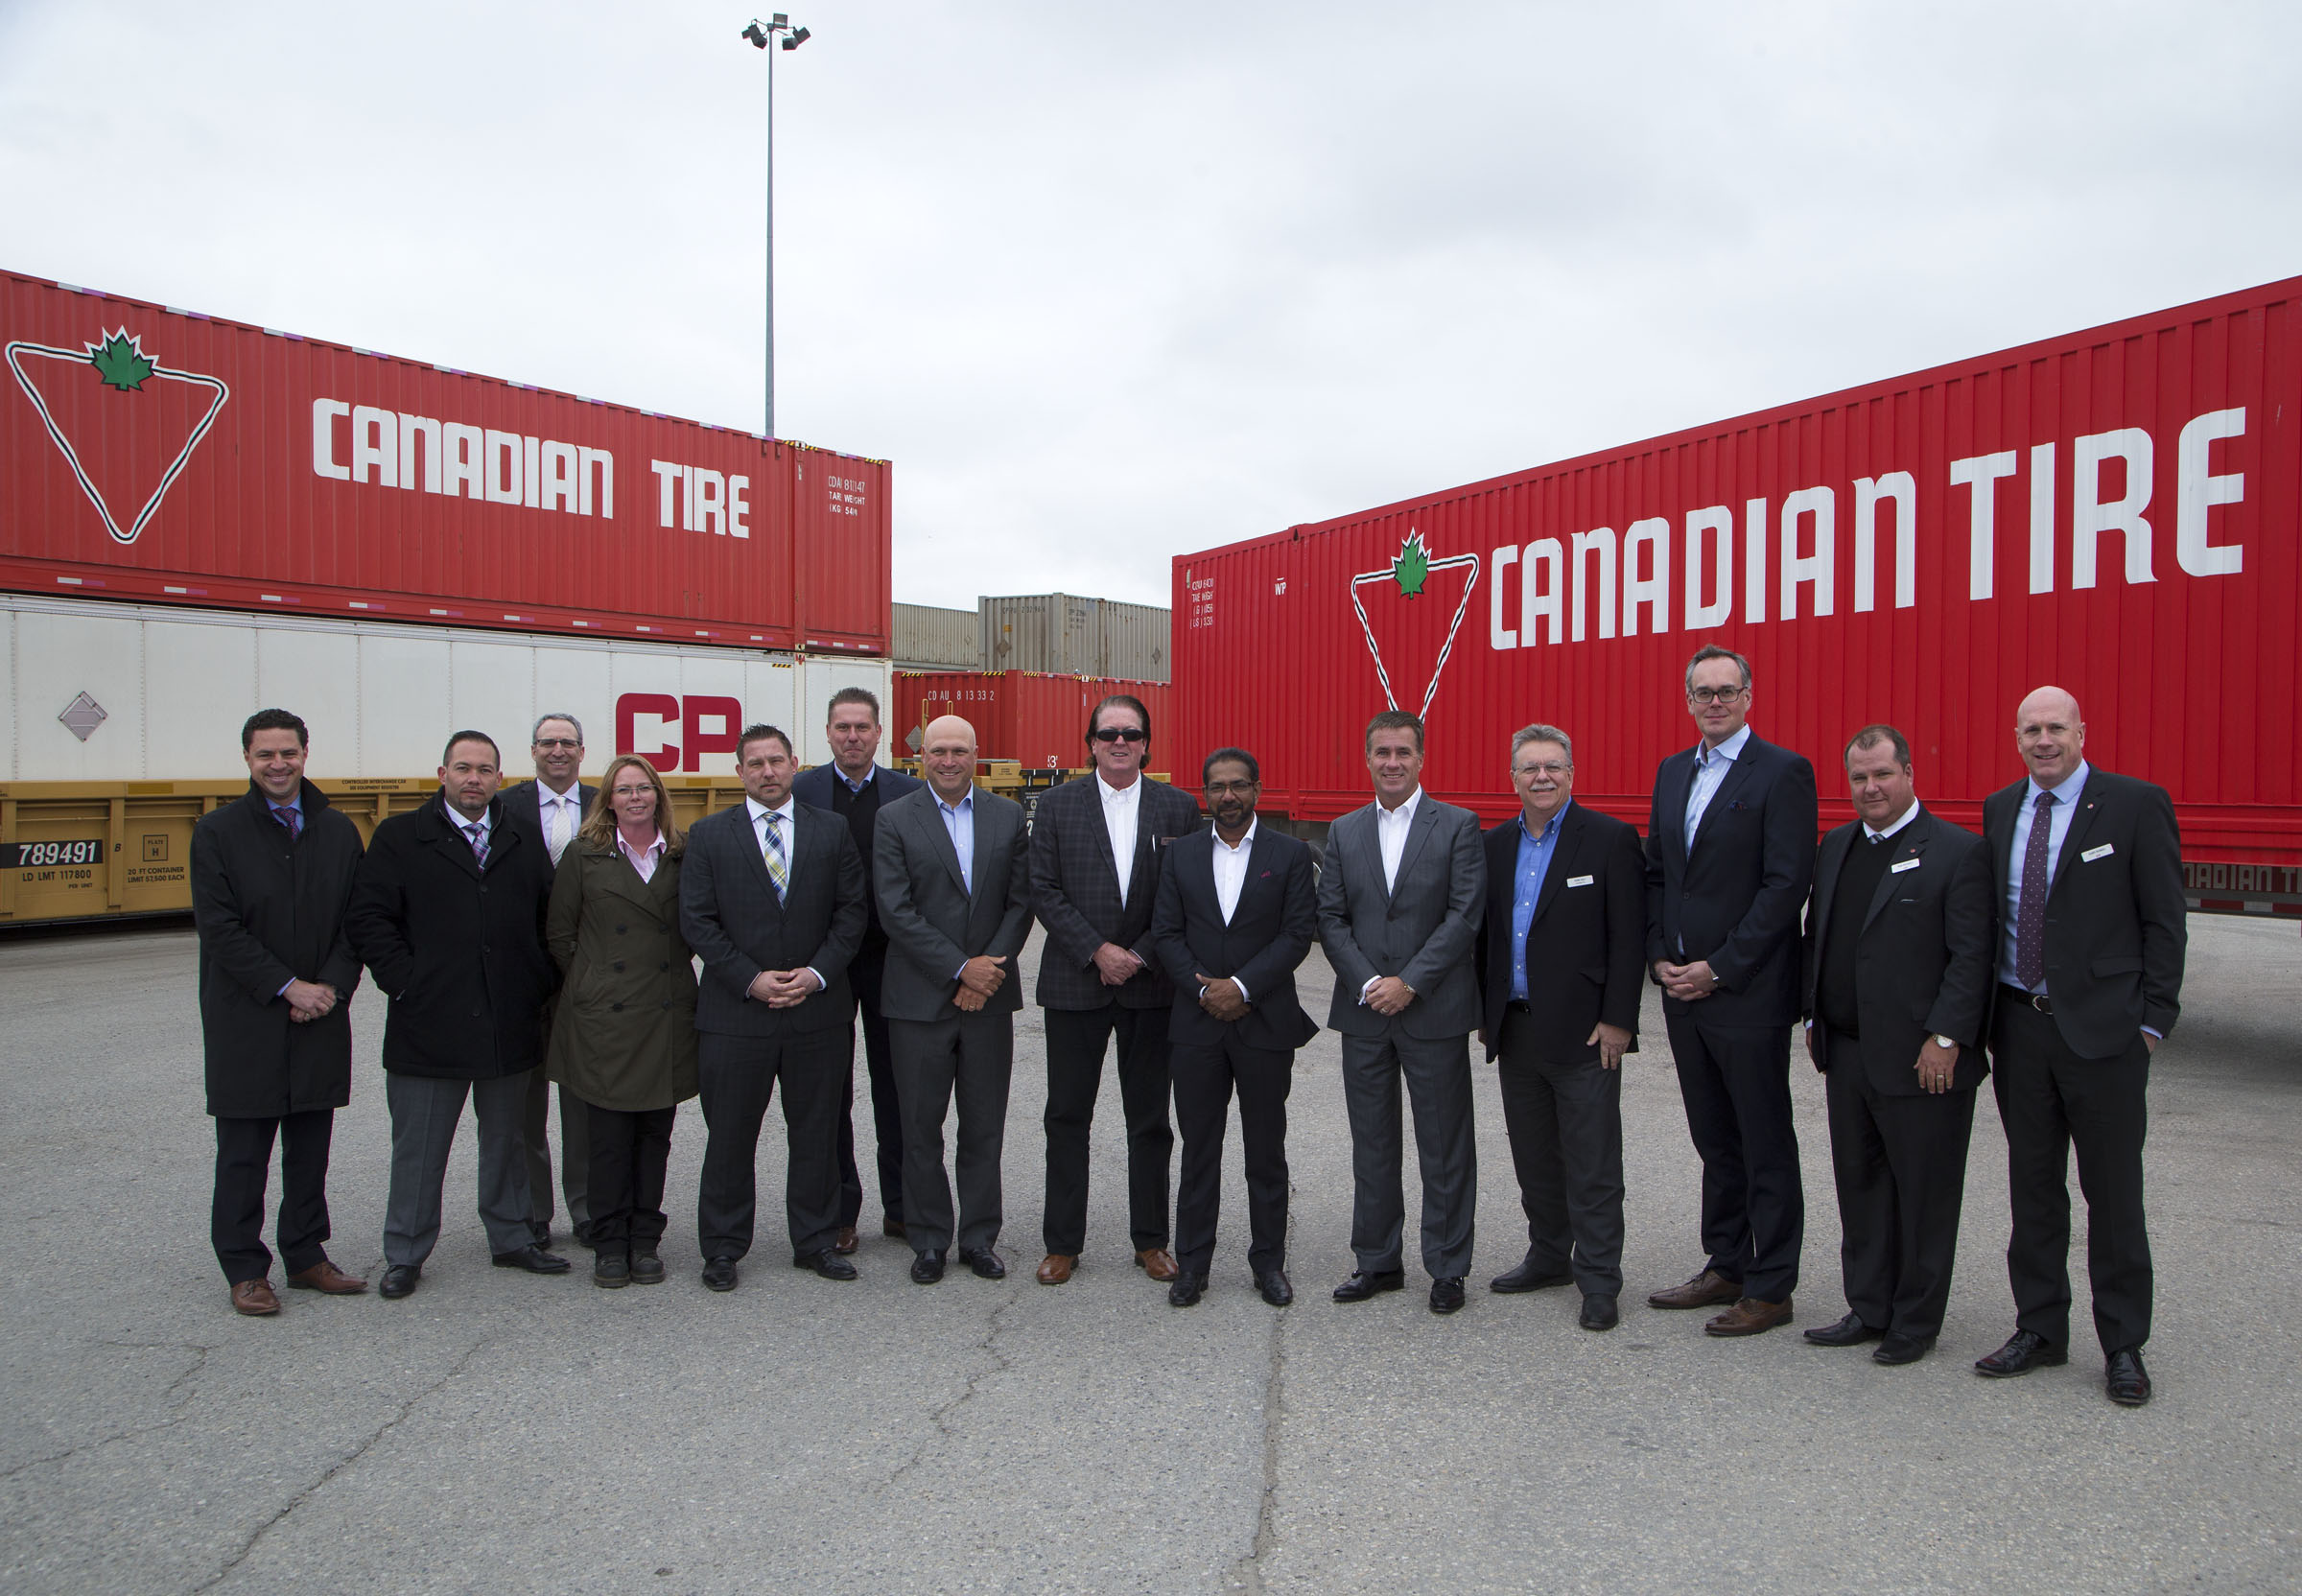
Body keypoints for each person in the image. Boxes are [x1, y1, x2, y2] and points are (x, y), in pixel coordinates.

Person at [1975, 686, 2185, 1406]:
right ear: (2016, 736)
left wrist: (2153, 1021)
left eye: (2055, 728)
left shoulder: (2133, 804)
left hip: (2104, 1034)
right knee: (2034, 1190)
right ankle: (2040, 1328)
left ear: (2081, 733)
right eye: (2030, 729)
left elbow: (2164, 921)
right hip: (2020, 1027)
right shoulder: (2002, 809)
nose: (2043, 740)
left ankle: (2123, 1344)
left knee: (2113, 1195)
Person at [346, 731, 568, 1300]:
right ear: (441, 773)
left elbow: (551, 918)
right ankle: (406, 1251)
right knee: (419, 1147)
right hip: (430, 1021)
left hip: (508, 1018)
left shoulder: (519, 836)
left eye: (486, 770)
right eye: (463, 768)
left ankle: (514, 1236)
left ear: (500, 777)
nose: (475, 779)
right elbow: (370, 919)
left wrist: (535, 982)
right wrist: (406, 982)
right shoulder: (400, 838)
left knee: (509, 1139)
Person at [1799, 725, 1995, 1365]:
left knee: (1925, 1194)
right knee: (1861, 1188)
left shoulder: (1957, 852)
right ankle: (1869, 1305)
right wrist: (1813, 1017)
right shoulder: (1836, 848)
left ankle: (1915, 1320)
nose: (1870, 788)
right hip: (1849, 1054)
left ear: (1909, 772)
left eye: (1882, 774)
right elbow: (1821, 939)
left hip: (1923, 1061)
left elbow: (1971, 958)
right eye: (1858, 778)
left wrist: (1947, 1037)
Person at [1644, 645, 1818, 1337]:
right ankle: (1727, 1262)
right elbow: (1658, 872)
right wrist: (1660, 956)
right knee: (1714, 1135)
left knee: (1762, 1137)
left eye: (1727, 690)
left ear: (1749, 696)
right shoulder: (1672, 772)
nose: (1714, 702)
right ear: (1687, 701)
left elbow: (1785, 887)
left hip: (1745, 992)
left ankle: (1772, 1285)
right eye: (1702, 692)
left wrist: (1720, 966)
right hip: (1681, 991)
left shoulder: (1782, 773)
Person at [190, 709, 369, 1316]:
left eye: (287, 753)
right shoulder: (218, 832)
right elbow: (219, 929)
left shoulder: (338, 832)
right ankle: (244, 1267)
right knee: (243, 1149)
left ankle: (305, 1253)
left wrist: (330, 989)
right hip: (248, 1016)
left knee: (310, 1146)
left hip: (319, 1014)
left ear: (305, 755)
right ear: (247, 759)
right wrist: (288, 987)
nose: (278, 764)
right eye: (265, 754)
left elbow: (356, 923)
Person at [679, 723, 868, 1292]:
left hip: (817, 1013)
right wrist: (751, 979)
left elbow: (851, 912)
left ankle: (815, 1240)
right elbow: (698, 921)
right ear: (740, 771)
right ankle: (723, 1247)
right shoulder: (709, 836)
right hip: (737, 1016)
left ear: (793, 765)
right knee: (731, 1135)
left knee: (816, 1133)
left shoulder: (831, 831)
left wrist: (815, 975)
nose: (767, 772)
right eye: (755, 763)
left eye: (776, 761)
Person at [1474, 723, 1645, 1332]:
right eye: (1529, 768)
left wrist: (1620, 1019)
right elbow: (1484, 938)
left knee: (1592, 1163)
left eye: (1552, 766)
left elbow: (1629, 938)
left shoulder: (1608, 840)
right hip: (1516, 1031)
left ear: (1572, 774)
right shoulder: (1492, 845)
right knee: (1535, 1160)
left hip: (1586, 1034)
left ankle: (1599, 1280)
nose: (1541, 777)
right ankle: (1550, 1256)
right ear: (1512, 778)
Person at [1026, 692, 1201, 1286]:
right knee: (1066, 1117)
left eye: (1130, 733)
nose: (1119, 743)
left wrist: (1141, 953)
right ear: (1091, 744)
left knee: (1150, 1120)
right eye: (1108, 735)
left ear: (1147, 743)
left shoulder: (1178, 809)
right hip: (1076, 982)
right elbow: (1043, 888)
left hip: (1151, 988)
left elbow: (1184, 896)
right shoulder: (1054, 806)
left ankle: (1151, 1240)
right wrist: (1096, 950)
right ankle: (1062, 1244)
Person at [1317, 711, 1486, 1315]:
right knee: (1373, 1143)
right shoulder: (1343, 831)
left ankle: (1447, 1267)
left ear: (1422, 760)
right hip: (1364, 1013)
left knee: (1444, 1145)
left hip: (1432, 1010)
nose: (1393, 762)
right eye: (1382, 752)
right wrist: (1369, 983)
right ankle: (1378, 1261)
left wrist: (1409, 982)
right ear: (1368, 759)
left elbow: (1464, 916)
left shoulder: (1458, 826)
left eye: (1403, 753)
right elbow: (1330, 918)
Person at [1148, 747, 1320, 1308]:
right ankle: (1192, 1265)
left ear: (1257, 789)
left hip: (1264, 1022)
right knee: (1199, 1149)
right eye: (1217, 787)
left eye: (1238, 785)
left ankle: (1268, 1263)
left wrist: (1241, 987)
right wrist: (1204, 990)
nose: (1228, 796)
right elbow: (1166, 932)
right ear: (1205, 795)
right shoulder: (1181, 856)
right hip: (1196, 1025)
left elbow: (1297, 935)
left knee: (1265, 1150)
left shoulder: (1290, 854)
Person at [872, 716, 1032, 1284]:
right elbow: (896, 910)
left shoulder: (1008, 816)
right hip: (918, 1000)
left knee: (984, 1126)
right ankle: (930, 1239)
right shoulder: (894, 819)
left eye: (959, 750)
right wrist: (961, 968)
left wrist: (985, 971)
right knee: (920, 1126)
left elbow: (1020, 903)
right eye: (938, 750)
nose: (948, 760)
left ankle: (980, 1239)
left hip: (989, 999)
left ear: (976, 754)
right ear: (922, 757)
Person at [544, 755, 700, 1289]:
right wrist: (595, 985)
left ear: (658, 796)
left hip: (665, 1012)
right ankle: (609, 1242)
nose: (635, 797)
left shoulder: (681, 855)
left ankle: (645, 1239)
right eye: (624, 789)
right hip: (605, 1017)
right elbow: (561, 935)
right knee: (607, 1139)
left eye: (644, 788)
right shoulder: (583, 856)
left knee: (655, 1136)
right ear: (607, 799)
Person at [791, 687, 924, 1253]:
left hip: (893, 962)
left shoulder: (909, 793)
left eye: (862, 727)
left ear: (879, 734)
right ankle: (842, 1209)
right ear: (827, 733)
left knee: (898, 1088)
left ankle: (901, 1206)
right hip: (826, 964)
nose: (852, 736)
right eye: (842, 727)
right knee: (830, 1092)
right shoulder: (800, 791)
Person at [500, 713, 597, 1250]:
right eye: (547, 742)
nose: (557, 751)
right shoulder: (504, 807)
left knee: (581, 1098)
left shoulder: (606, 801)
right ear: (533, 751)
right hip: (522, 973)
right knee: (524, 1101)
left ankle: (585, 1207)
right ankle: (533, 1211)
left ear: (582, 751)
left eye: (567, 742)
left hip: (587, 972)